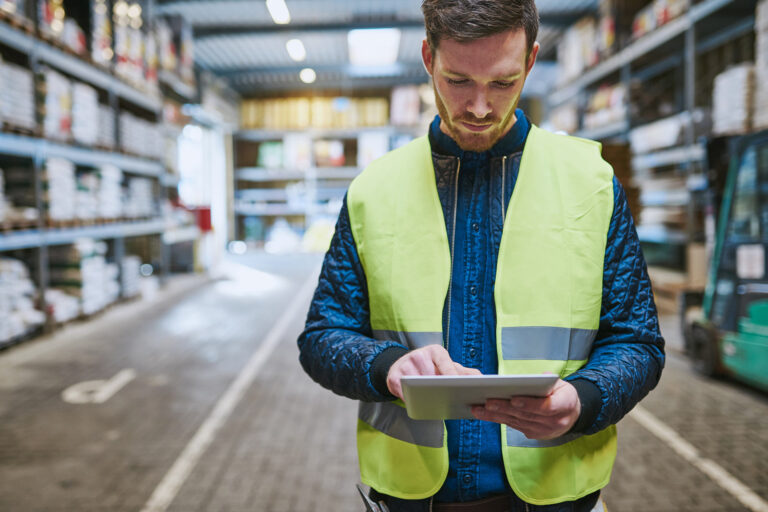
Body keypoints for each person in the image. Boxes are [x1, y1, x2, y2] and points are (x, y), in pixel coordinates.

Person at [298, 0, 665, 510]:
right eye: (457, 81)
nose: (478, 107)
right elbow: (322, 338)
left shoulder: (592, 185)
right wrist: (386, 366)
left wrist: (586, 399)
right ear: (428, 57)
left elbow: (638, 341)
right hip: (412, 498)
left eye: (501, 83)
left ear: (531, 62)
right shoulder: (372, 192)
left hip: (554, 493)